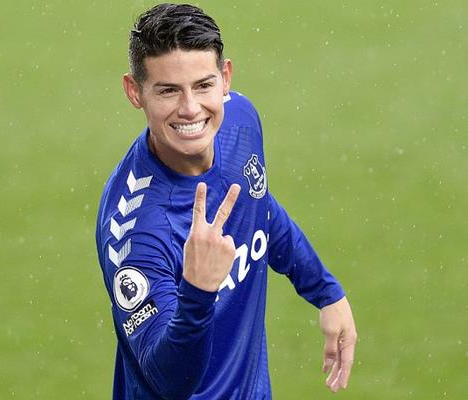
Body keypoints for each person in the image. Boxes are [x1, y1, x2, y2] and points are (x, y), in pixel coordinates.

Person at [95, 3, 357, 399]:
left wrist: (326, 292)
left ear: (225, 78)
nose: (190, 109)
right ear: (135, 92)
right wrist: (198, 290)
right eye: (168, 90)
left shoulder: (240, 122)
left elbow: (259, 207)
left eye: (203, 85)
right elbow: (168, 380)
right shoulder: (135, 232)